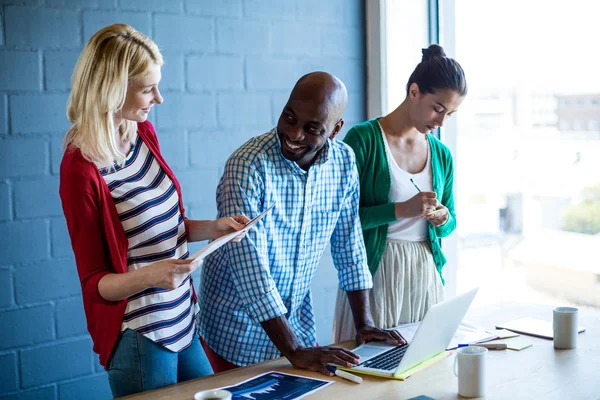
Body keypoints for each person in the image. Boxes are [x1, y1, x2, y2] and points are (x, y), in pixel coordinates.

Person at [59, 24, 248, 397]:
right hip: (141, 333)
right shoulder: (80, 170)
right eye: (147, 89)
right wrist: (152, 275)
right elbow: (95, 283)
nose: (158, 98)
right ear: (112, 90)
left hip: (182, 318)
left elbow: (160, 227)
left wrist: (211, 229)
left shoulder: (141, 134)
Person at [197, 72, 405, 376]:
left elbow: (349, 244)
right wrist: (293, 350)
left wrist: (364, 324)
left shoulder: (344, 163)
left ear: (335, 130)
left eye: (312, 128)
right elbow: (249, 268)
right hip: (236, 332)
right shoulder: (247, 166)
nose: (294, 134)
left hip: (295, 329)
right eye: (289, 118)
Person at [333, 44, 467, 342]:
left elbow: (452, 222)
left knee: (423, 366)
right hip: (373, 275)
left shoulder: (441, 154)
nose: (442, 122)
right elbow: (339, 223)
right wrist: (399, 210)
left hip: (425, 272)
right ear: (415, 91)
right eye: (438, 109)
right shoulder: (363, 139)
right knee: (370, 370)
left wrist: (443, 217)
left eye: (451, 114)